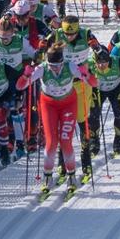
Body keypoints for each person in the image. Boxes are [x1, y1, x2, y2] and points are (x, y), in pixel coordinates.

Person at [20, 45, 98, 199]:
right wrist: (25, 75)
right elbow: (20, 86)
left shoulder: (71, 66)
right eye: (52, 66)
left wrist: (86, 74)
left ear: (63, 62)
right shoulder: (42, 68)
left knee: (65, 141)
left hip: (68, 103)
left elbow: (94, 83)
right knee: (51, 143)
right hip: (49, 104)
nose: (55, 69)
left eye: (57, 66)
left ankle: (71, 176)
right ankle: (47, 176)